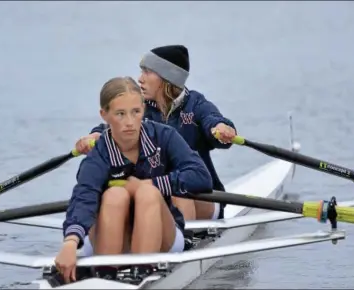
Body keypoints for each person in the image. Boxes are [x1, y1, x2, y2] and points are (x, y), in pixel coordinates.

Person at [54, 76, 213, 283]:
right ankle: (105, 274)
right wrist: (70, 243)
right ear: (105, 115)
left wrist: (151, 183)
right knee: (114, 195)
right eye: (120, 114)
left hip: (162, 237)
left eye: (135, 112)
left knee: (147, 193)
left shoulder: (163, 136)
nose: (129, 122)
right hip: (108, 237)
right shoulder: (99, 154)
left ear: (143, 111)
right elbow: (84, 197)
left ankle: (142, 270)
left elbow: (201, 177)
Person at [75, 45, 236, 223]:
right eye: (141, 71)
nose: (140, 79)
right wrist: (95, 136)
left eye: (147, 72)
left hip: (201, 194)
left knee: (177, 193)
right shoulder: (140, 108)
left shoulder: (196, 105)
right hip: (153, 192)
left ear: (168, 78)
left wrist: (221, 128)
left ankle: (187, 242)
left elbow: (212, 120)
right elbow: (112, 125)